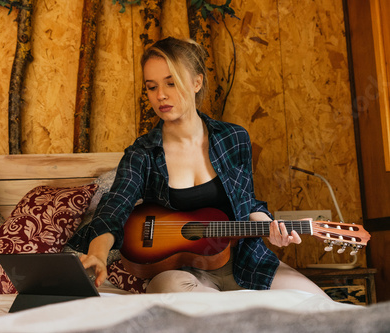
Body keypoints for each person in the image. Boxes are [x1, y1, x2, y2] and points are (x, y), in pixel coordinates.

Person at [68, 36, 328, 297]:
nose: (160, 95)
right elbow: (114, 207)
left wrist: (272, 231)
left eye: (171, 83)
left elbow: (248, 204)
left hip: (245, 263)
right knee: (192, 308)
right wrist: (98, 255)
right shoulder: (143, 153)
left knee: (319, 304)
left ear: (196, 82)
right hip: (180, 273)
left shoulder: (233, 138)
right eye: (151, 86)